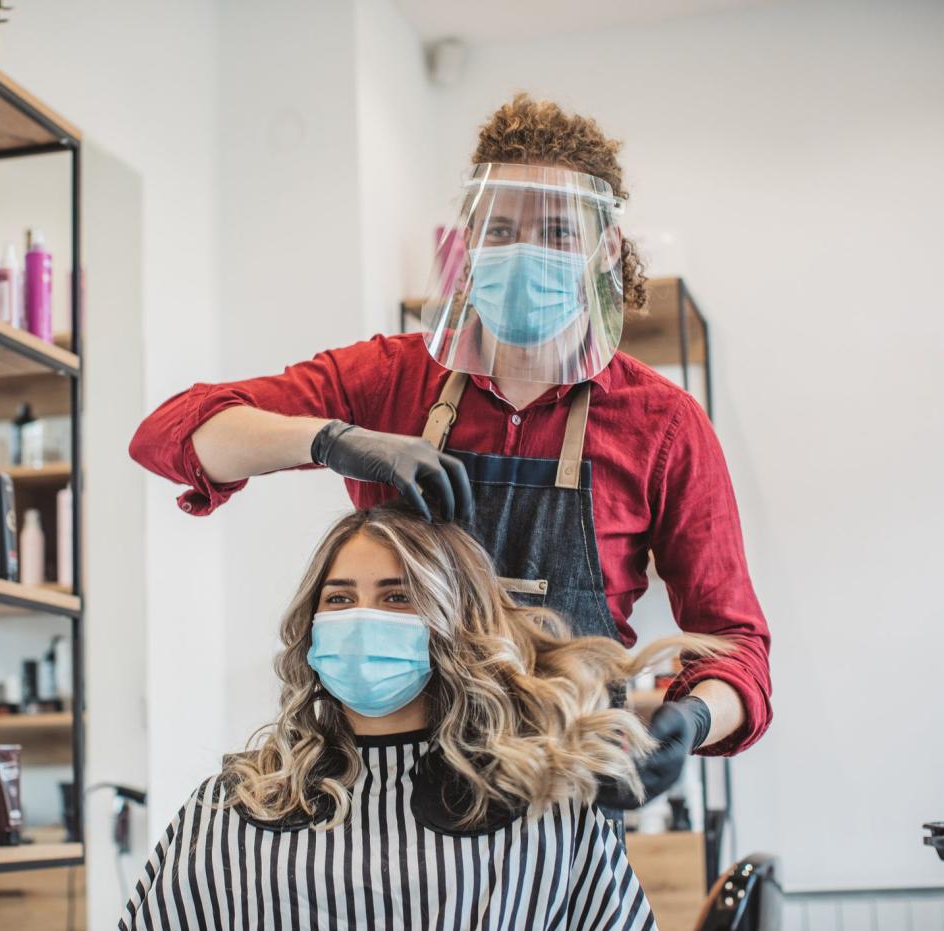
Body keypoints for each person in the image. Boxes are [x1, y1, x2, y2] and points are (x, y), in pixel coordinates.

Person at [129, 94, 771, 813]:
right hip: (386, 792)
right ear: (467, 249)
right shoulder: (389, 378)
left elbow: (735, 645)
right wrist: (334, 439)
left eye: (556, 231)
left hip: (563, 793)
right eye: (500, 229)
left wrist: (689, 718)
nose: (524, 251)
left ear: (607, 249)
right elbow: (169, 434)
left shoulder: (664, 423)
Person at [118, 504, 722, 930]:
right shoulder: (234, 805)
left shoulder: (548, 806)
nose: (362, 615)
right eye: (339, 598)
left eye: (397, 595)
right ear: (310, 625)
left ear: (452, 622)